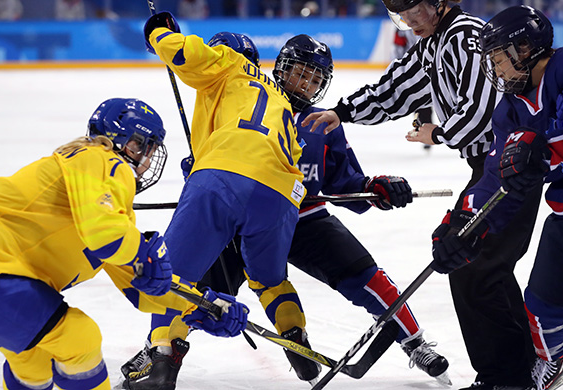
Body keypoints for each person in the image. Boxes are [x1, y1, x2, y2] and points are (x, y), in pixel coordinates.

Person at [119, 33, 451, 390]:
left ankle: (414, 342)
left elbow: (345, 183)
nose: (305, 84)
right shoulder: (236, 95)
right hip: (252, 217)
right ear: (281, 68)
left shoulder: (320, 122)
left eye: (314, 80)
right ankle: (160, 355)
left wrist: (375, 188)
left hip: (303, 217)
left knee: (367, 277)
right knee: (192, 285)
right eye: (300, 74)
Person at [301, 1, 540, 389]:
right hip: (493, 166)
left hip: (508, 164)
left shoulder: (464, 35)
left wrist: (440, 134)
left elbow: (484, 106)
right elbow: (396, 88)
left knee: (472, 266)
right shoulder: (433, 43)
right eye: (401, 17)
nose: (409, 24)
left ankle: (509, 378)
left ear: (440, 3)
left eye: (414, 13)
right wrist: (343, 111)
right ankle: (527, 367)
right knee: (485, 266)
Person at [0, 97, 247, 390]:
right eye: (143, 147)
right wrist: (142, 251)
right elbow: (106, 234)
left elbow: (141, 287)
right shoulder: (99, 158)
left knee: (35, 361)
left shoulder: (107, 213)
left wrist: (202, 305)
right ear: (123, 142)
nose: (146, 161)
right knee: (79, 338)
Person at [430, 5, 563, 390]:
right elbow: (496, 181)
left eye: (497, 59)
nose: (495, 70)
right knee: (541, 306)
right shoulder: (510, 112)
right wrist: (462, 223)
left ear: (525, 48)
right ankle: (554, 361)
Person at [135, 10, 314, 387]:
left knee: (171, 277)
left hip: (221, 179)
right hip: (280, 195)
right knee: (268, 279)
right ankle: (295, 335)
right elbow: (289, 160)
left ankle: (162, 362)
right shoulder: (279, 98)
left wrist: (159, 33)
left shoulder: (229, 63)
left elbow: (186, 54)